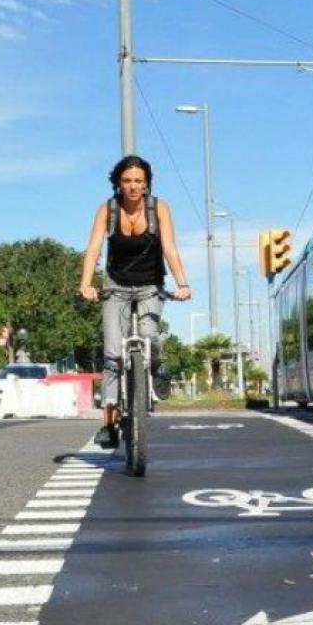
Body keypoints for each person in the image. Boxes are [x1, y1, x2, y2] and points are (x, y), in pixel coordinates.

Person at [78, 155, 192, 448]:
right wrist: (86, 284)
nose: (132, 186)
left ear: (146, 184)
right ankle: (109, 424)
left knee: (150, 334)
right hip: (115, 286)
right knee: (113, 355)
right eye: (127, 180)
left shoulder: (159, 208)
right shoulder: (108, 209)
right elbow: (93, 249)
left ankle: (156, 366)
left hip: (150, 285)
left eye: (138, 181)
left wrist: (182, 283)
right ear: (118, 183)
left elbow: (169, 247)